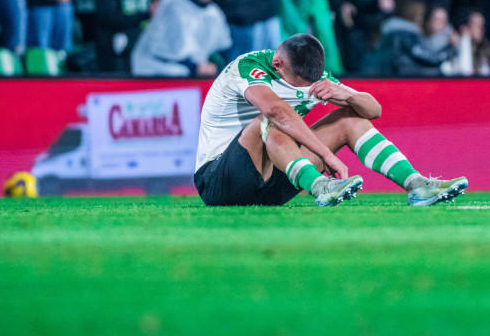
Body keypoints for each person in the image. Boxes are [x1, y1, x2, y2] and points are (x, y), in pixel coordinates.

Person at [193, 32, 468, 207]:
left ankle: (416, 185)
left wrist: (347, 96)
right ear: (277, 64)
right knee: (271, 120)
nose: (305, 89)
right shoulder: (249, 67)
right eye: (297, 84)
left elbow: (374, 110)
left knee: (349, 118)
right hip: (219, 181)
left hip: (272, 185)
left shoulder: (317, 79)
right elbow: (276, 111)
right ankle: (321, 186)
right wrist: (327, 154)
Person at [130, 0, 231, 76]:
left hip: (197, 72)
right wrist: (194, 67)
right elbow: (165, 51)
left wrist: (215, 65)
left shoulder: (213, 12)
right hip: (158, 70)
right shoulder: (173, 5)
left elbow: (219, 48)